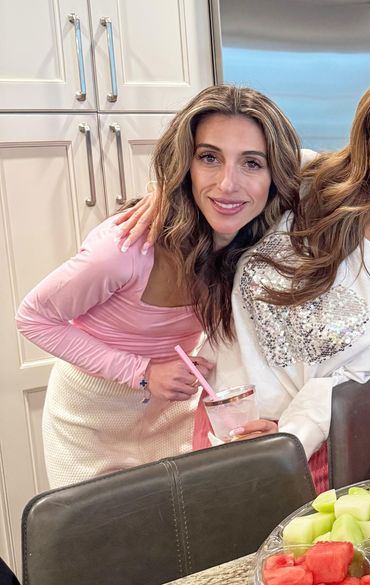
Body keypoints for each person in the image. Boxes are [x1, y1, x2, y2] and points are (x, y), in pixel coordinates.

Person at [116, 62, 370, 491]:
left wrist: (287, 440)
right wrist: (165, 193)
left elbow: (345, 381)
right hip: (217, 422)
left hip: (298, 454)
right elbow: (217, 179)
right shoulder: (303, 180)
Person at [16, 85, 302, 487]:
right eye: (209, 158)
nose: (226, 184)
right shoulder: (123, 249)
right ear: (184, 164)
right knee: (104, 544)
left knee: (182, 538)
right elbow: (33, 318)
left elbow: (323, 168)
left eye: (252, 163)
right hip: (90, 418)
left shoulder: (250, 237)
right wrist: (143, 371)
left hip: (172, 408)